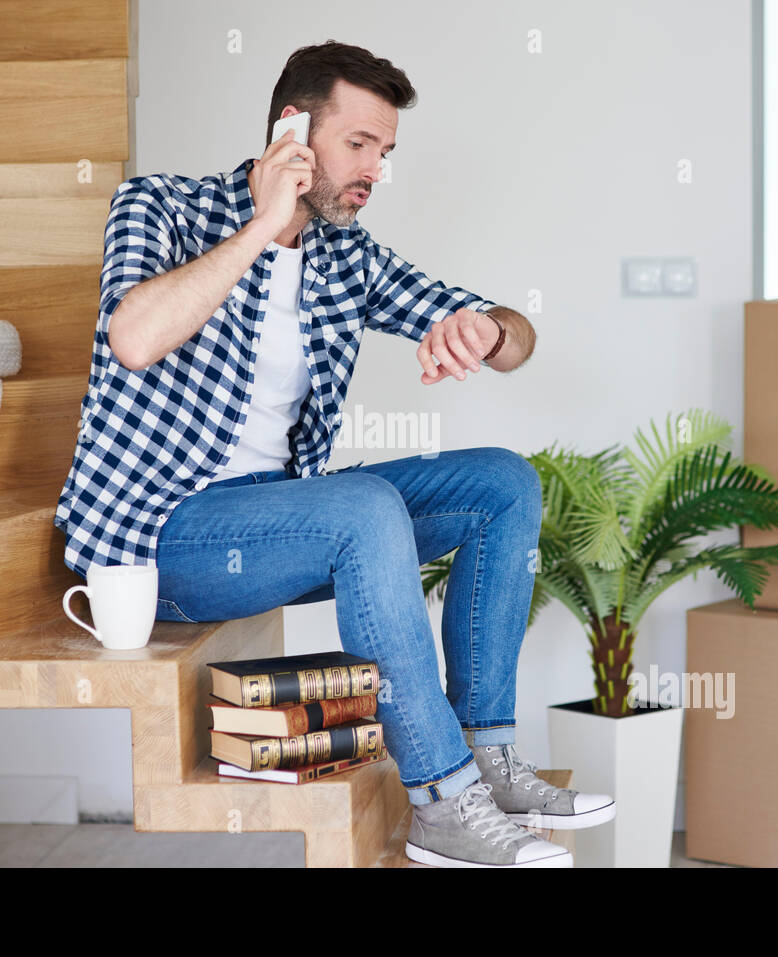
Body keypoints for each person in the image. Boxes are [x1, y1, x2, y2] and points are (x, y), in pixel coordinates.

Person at [54, 40, 614, 867]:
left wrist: (488, 329)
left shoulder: (345, 256)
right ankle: (438, 798)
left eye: (385, 152)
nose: (375, 171)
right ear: (291, 130)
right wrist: (260, 230)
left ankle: (486, 753)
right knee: (361, 506)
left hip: (282, 518)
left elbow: (513, 338)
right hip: (159, 539)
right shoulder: (159, 205)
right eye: (360, 145)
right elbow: (133, 337)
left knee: (503, 482)